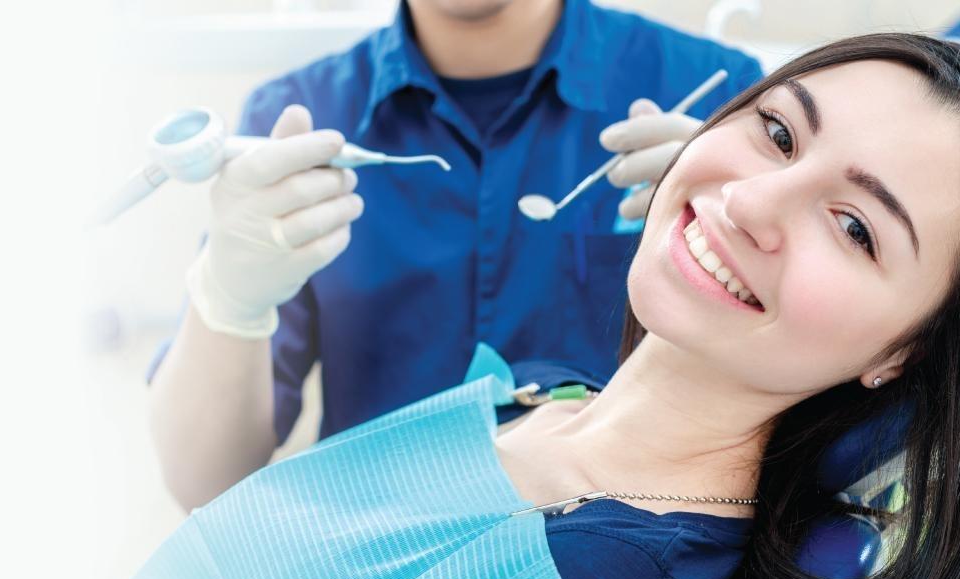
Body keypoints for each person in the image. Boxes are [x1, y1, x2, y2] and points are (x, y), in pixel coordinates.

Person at [128, 33, 960, 579]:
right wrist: (230, 296)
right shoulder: (538, 400)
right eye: (776, 132)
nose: (749, 202)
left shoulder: (596, 574)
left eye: (854, 228)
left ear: (909, 349)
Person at [149, 0, 767, 511]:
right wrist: (229, 297)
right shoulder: (300, 117)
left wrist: (738, 241)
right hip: (379, 568)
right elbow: (207, 482)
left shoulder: (714, 95)